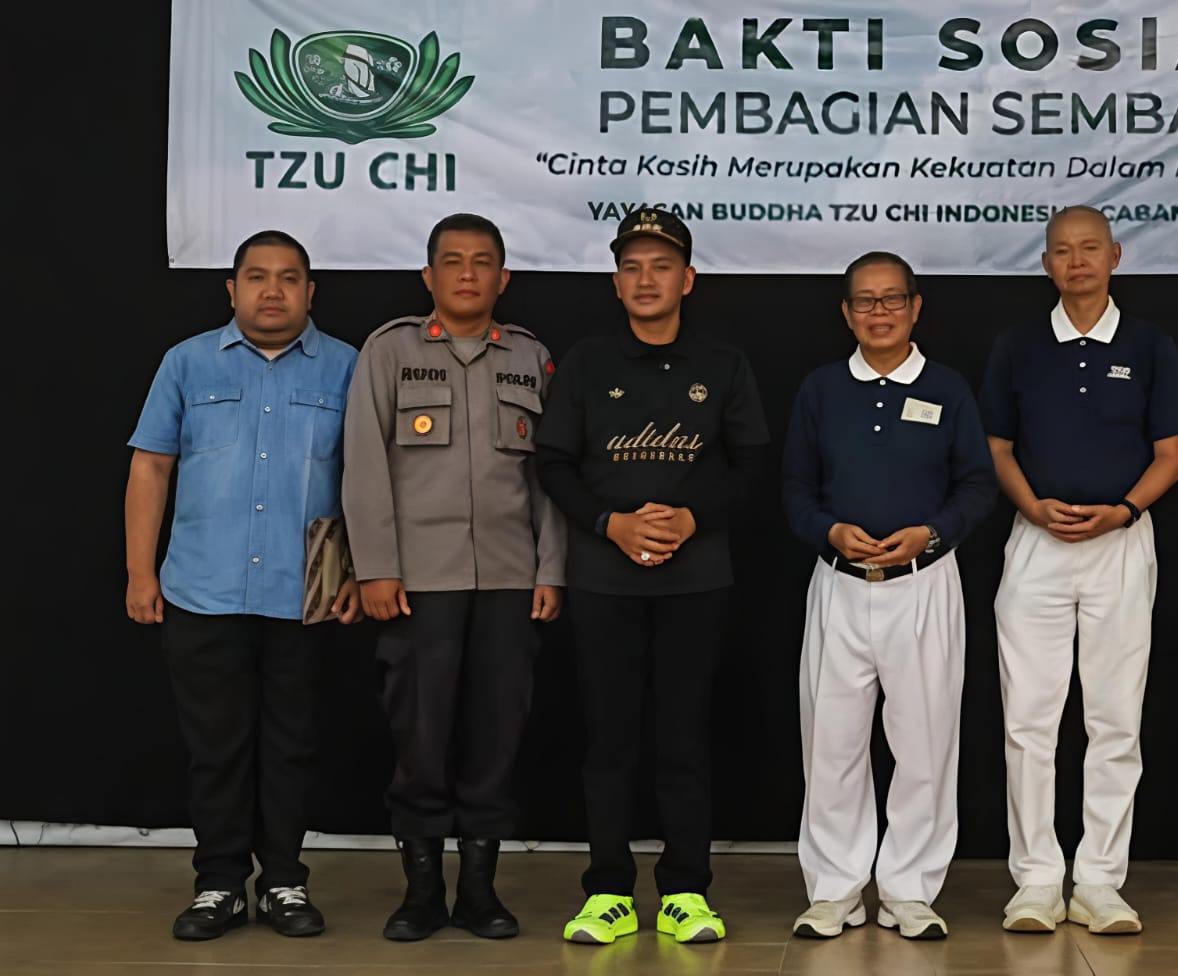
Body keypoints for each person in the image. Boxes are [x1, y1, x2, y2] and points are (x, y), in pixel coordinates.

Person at [534, 209, 769, 945]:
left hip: (695, 581)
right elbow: (553, 464)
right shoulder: (586, 362)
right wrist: (611, 524)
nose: (646, 279)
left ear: (687, 279)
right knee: (608, 741)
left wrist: (692, 519)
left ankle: (685, 892)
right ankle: (607, 890)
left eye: (661, 266)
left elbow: (751, 465)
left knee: (683, 739)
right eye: (631, 267)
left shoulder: (723, 363)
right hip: (604, 579)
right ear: (615, 282)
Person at [125, 230, 361, 941]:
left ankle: (285, 881)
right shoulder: (187, 362)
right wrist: (140, 572)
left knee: (292, 745)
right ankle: (220, 885)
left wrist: (359, 570)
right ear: (232, 289)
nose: (272, 290)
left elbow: (371, 482)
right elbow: (151, 466)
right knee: (217, 747)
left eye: (289, 278)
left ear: (310, 292)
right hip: (203, 587)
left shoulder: (349, 367)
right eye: (257, 277)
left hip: (308, 590)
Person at [342, 213, 566, 942]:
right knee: (421, 736)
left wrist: (552, 567)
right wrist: (375, 568)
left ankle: (478, 893)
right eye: (452, 260)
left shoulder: (530, 357)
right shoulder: (389, 350)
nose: (467, 274)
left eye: (482, 262)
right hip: (418, 582)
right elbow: (364, 467)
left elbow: (551, 477)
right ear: (428, 275)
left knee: (497, 736)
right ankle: (421, 895)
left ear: (504, 277)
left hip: (509, 579)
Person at [979, 205, 1178, 935]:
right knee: (1028, 722)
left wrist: (1124, 511)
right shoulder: (1017, 345)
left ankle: (1101, 880)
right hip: (1036, 542)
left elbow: (1172, 456)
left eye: (1090, 249)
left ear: (1115, 256)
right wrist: (1033, 507)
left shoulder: (1150, 344)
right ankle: (1037, 880)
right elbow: (997, 448)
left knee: (1114, 720)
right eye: (1063, 251)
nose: (1077, 262)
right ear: (1046, 264)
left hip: (1121, 543)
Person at [781, 252, 997, 940]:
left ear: (916, 307)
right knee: (831, 745)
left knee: (925, 744)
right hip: (840, 587)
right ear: (847, 314)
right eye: (865, 302)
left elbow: (977, 484)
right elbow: (795, 487)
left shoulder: (947, 388)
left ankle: (910, 889)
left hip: (923, 585)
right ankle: (835, 890)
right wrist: (828, 531)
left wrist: (932, 534)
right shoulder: (821, 388)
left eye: (892, 299)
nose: (880, 313)